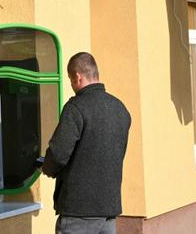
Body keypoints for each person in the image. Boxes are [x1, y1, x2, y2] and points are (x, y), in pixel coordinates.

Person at [42, 52, 131, 234]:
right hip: (109, 208)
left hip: (79, 211)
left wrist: (46, 167)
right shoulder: (120, 108)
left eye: (70, 80)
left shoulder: (76, 108)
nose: (71, 85)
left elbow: (58, 154)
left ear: (77, 76)